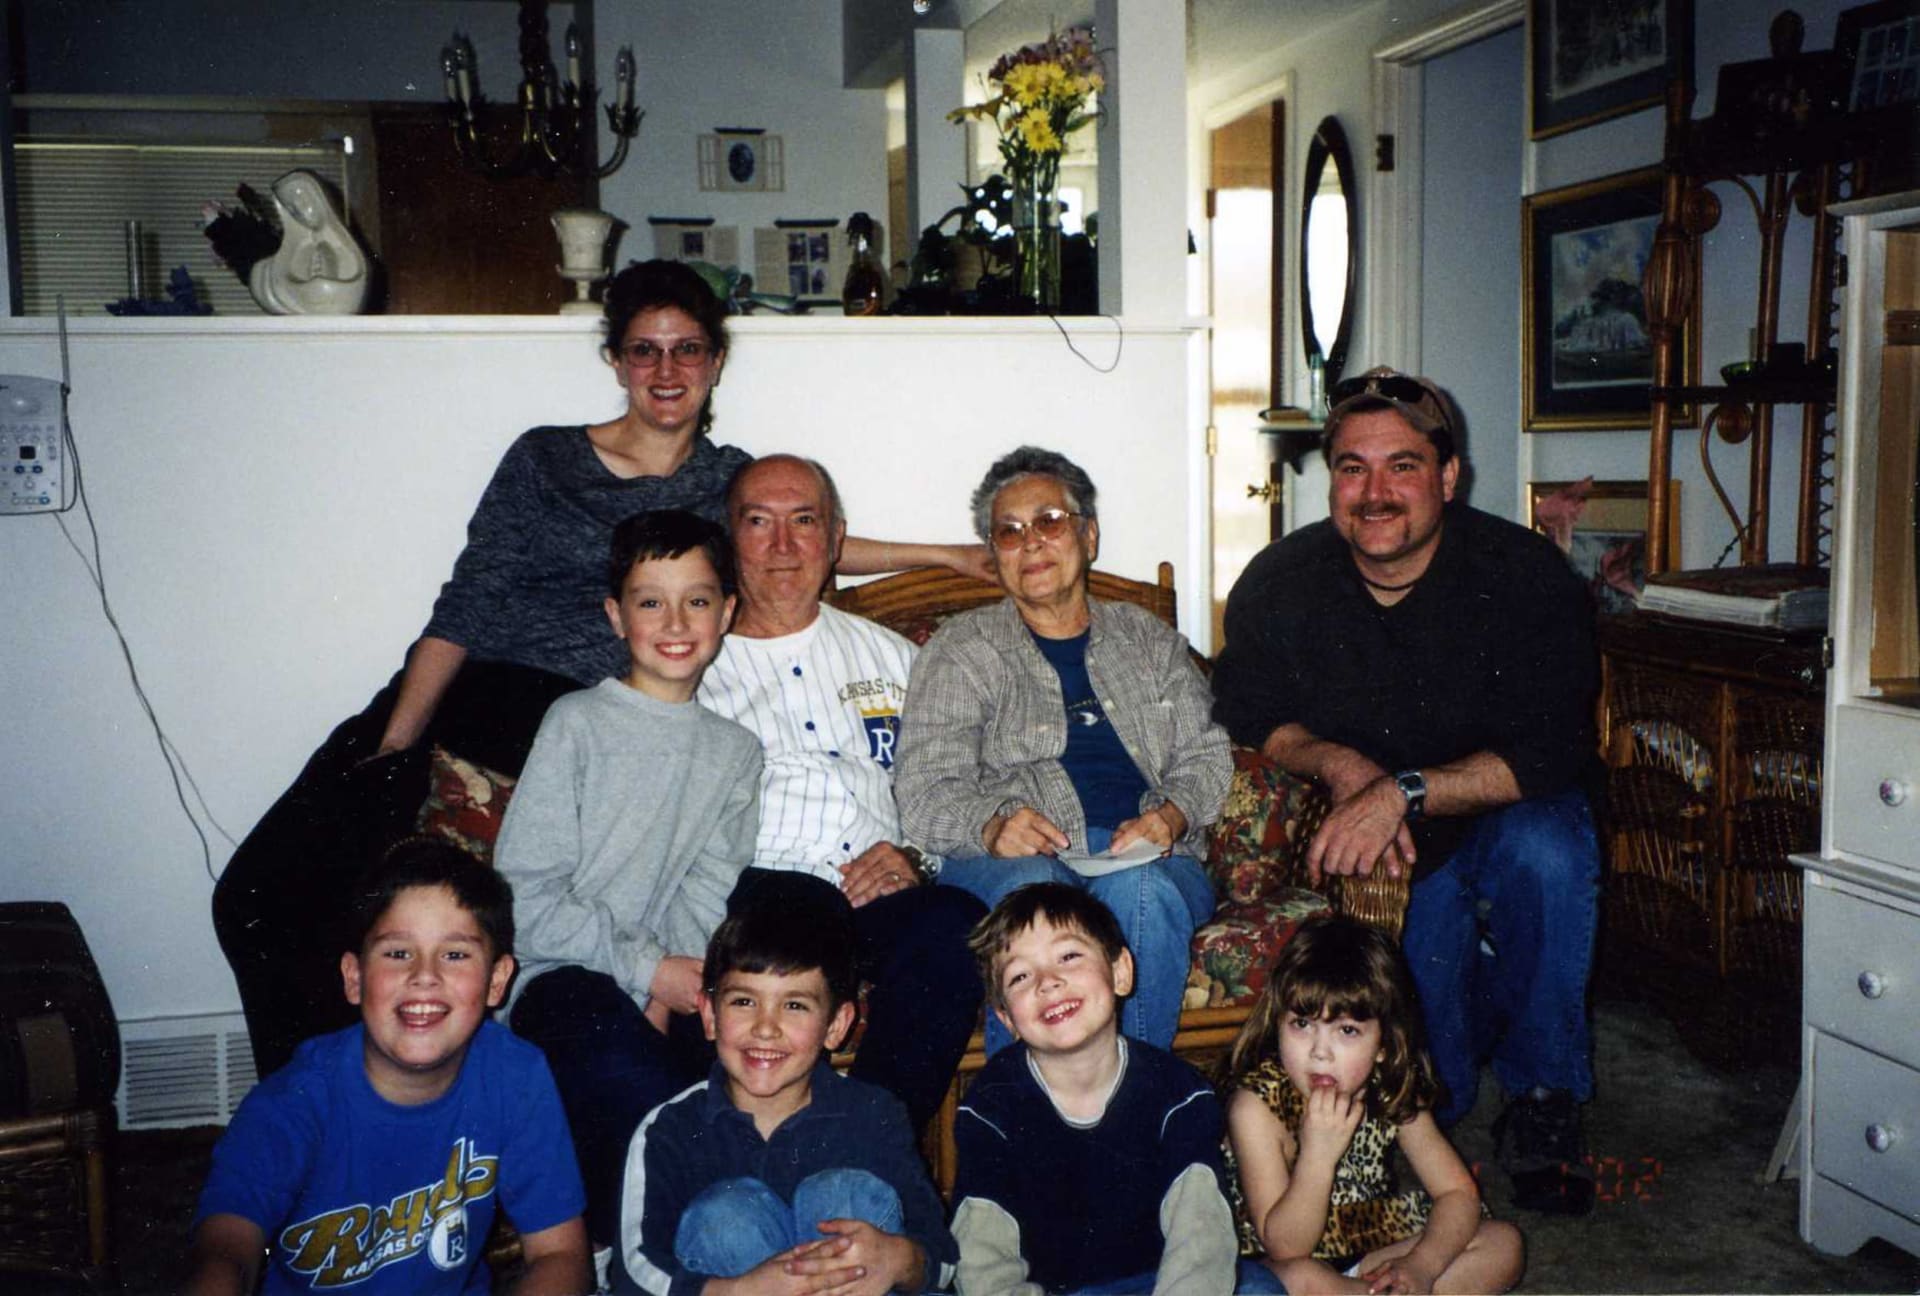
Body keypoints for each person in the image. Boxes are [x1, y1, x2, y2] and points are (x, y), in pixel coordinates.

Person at [213, 260, 985, 1081]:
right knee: (258, 895)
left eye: (686, 350)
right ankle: (299, 1118)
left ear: (715, 362)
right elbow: (468, 602)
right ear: (615, 361)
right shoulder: (544, 459)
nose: (665, 371)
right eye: (644, 350)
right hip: (466, 698)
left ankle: (355, 1120)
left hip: (567, 719)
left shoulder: (723, 479)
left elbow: (800, 539)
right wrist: (396, 747)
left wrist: (947, 553)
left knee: (385, 922)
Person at [1209, 367, 1603, 1214]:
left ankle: (1545, 1097)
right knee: (1441, 1084)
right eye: (1352, 468)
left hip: (1502, 801)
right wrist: (1345, 769)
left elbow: (1553, 750)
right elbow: (1250, 712)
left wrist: (1403, 792)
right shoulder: (1283, 579)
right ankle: (1458, 1069)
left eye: (1403, 466)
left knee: (1549, 855)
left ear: (1449, 477)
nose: (1375, 492)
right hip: (1377, 828)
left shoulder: (1525, 575)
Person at [894, 446, 1229, 1053]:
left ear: (1089, 535)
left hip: (1146, 854)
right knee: (1035, 902)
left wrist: (1172, 815)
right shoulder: (962, 649)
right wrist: (989, 825)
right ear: (995, 557)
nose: (1032, 543)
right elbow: (923, 788)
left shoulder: (1147, 638)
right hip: (1012, 859)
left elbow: (1208, 753)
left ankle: (1133, 1110)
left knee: (1144, 891)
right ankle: (1032, 1126)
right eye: (1010, 532)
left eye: (1050, 521)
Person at [494, 509, 764, 1251]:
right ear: (617, 616)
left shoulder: (735, 752)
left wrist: (659, 991)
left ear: (727, 612)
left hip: (662, 981)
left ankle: (696, 1248)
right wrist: (645, 973)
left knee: (723, 1099)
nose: (675, 620)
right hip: (559, 974)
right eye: (650, 601)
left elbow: (705, 893)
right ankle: (616, 1253)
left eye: (698, 599)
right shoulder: (576, 722)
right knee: (623, 1072)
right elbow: (524, 898)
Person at [696, 454, 987, 1135]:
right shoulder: (695, 665)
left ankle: (867, 1147)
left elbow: (959, 790)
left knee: (952, 922)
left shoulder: (895, 657)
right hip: (750, 903)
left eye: (804, 522)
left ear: (835, 538)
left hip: (871, 905)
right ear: (729, 536)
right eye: (758, 523)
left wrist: (916, 858)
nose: (783, 545)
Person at [187, 838, 590, 1295]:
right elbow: (225, 1251)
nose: (424, 974)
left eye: (455, 954)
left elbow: (560, 1253)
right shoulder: (292, 1102)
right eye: (398, 953)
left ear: (497, 981)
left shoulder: (516, 1076)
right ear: (354, 978)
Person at [619, 902, 958, 1296]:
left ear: (835, 1026)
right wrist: (736, 1290)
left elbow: (945, 1260)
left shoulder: (873, 1113)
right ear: (709, 1015)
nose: (765, 1028)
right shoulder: (669, 1128)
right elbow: (634, 1275)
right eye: (744, 1001)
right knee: (727, 1216)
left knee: (841, 1195)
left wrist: (899, 1259)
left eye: (794, 1005)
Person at [950, 883, 1257, 1296]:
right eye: (1020, 976)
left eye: (1069, 956)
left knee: (1260, 1285)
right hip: (1046, 1290)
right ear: (1006, 1018)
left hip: (1158, 1282)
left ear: (1120, 973)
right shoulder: (989, 1108)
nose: (1048, 982)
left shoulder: (1178, 1094)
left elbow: (1200, 1242)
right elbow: (983, 1259)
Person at [1222, 913, 1524, 1295]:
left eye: (1346, 1031)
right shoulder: (1255, 1108)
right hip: (1283, 1263)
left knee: (1503, 1242)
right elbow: (1285, 1247)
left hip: (1368, 1252)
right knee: (1294, 1281)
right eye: (1301, 1024)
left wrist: (1421, 1267)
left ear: (1384, 1045)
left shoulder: (1390, 1087)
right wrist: (1317, 1156)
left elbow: (1457, 1194)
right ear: (1276, 1021)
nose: (1319, 1052)